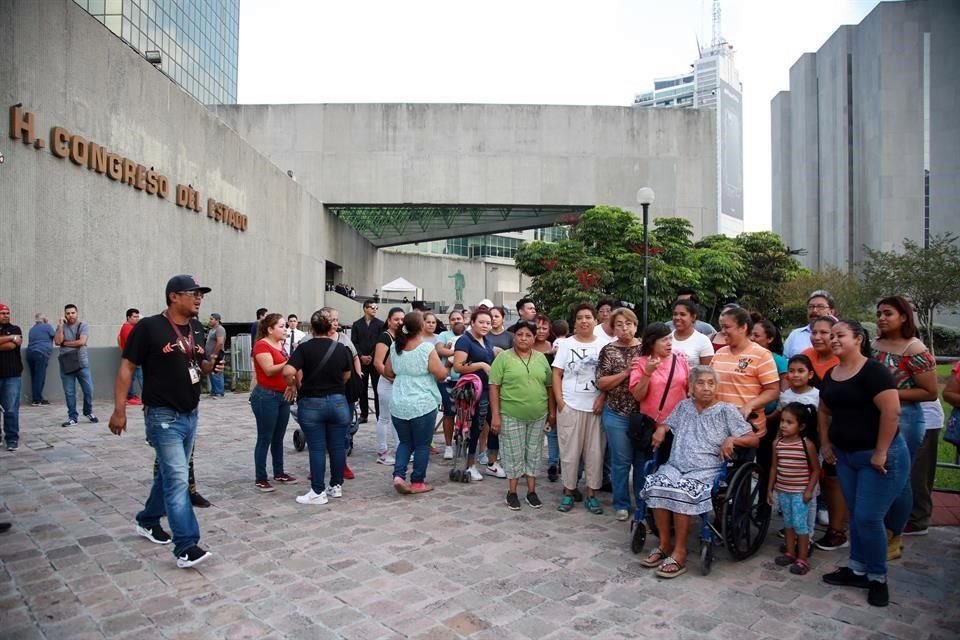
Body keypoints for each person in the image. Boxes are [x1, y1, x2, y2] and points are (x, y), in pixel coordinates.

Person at [108, 274, 221, 569]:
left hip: (190, 414)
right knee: (177, 479)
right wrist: (119, 409)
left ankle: (147, 520)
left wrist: (211, 365)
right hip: (163, 416)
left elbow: (199, 364)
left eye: (201, 294)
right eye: (193, 293)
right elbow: (126, 367)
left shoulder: (196, 327)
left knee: (169, 475)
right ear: (173, 296)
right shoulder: (149, 327)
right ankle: (186, 545)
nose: (199, 299)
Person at [638, 366, 759, 578]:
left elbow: (753, 438)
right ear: (692, 387)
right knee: (656, 485)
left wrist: (733, 439)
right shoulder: (684, 406)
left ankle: (680, 552)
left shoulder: (727, 411)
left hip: (706, 471)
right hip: (676, 466)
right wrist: (661, 429)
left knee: (683, 491)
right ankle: (665, 544)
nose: (706, 388)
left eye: (711, 383)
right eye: (701, 383)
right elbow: (668, 424)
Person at [819, 319, 907, 608]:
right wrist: (826, 443)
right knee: (857, 514)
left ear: (858, 339)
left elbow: (891, 412)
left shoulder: (874, 372)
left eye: (839, 335)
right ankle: (857, 568)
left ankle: (877, 577)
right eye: (830, 336)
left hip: (877, 458)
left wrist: (881, 451)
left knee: (869, 518)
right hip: (845, 456)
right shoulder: (832, 373)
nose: (832, 340)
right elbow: (824, 411)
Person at [871, 296, 937, 559]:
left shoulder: (914, 349)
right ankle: (879, 529)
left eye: (888, 313)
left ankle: (894, 535)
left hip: (906, 419)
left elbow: (929, 392)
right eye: (879, 314)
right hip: (875, 416)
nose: (882, 318)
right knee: (878, 474)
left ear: (904, 317)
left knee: (899, 478)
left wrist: (889, 394)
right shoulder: (873, 345)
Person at [282, 310, 353, 505]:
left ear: (311, 328)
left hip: (312, 402)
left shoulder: (304, 348)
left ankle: (317, 491)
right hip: (338, 401)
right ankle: (336, 486)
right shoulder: (340, 348)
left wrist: (293, 385)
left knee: (317, 448)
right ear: (330, 328)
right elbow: (347, 374)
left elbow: (288, 370)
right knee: (338, 446)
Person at [489, 320, 554, 510]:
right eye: (520, 334)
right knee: (513, 454)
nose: (523, 338)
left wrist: (551, 412)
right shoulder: (503, 358)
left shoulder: (541, 358)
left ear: (534, 338)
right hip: (510, 414)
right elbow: (494, 387)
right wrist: (495, 416)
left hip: (538, 415)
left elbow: (549, 386)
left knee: (533, 453)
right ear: (514, 336)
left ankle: (532, 492)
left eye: (528, 335)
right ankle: (512, 492)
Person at [385, 312, 448, 494]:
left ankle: (398, 475)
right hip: (422, 402)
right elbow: (441, 374)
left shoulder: (395, 346)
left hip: (399, 401)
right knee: (422, 444)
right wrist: (448, 366)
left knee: (405, 442)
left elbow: (389, 371)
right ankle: (418, 481)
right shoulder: (426, 349)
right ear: (421, 327)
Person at [552, 304, 605, 515]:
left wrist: (602, 398)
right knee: (569, 453)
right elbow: (556, 374)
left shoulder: (604, 345)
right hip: (570, 405)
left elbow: (608, 377)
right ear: (574, 322)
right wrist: (560, 403)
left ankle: (592, 494)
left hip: (595, 408)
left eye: (588, 317)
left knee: (595, 453)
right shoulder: (566, 345)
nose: (584, 321)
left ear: (595, 321)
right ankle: (568, 491)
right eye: (580, 317)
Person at [596, 309, 645, 520]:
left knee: (642, 461)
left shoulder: (646, 348)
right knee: (620, 460)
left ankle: (643, 503)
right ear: (613, 327)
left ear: (635, 325)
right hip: (616, 412)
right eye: (619, 324)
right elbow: (601, 381)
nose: (624, 328)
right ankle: (622, 503)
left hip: (643, 414)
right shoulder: (608, 350)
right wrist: (625, 373)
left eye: (628, 323)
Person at [767, 402, 821, 575]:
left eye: (789, 422)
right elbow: (774, 468)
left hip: (799, 493)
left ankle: (802, 559)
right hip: (783, 491)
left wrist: (808, 491)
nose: (783, 425)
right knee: (788, 524)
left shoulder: (807, 445)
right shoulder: (777, 444)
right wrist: (770, 489)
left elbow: (815, 470)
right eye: (782, 421)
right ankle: (790, 552)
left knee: (800, 525)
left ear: (801, 426)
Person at [711, 307, 780, 437]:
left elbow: (773, 391)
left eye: (727, 327)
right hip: (718, 429)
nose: (723, 331)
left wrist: (750, 405)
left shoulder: (762, 355)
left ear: (743, 327)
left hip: (746, 430)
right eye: (722, 327)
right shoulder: (719, 353)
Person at [250, 314, 297, 493]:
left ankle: (279, 471)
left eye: (285, 326)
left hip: (282, 395)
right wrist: (290, 362)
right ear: (270, 329)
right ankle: (260, 477)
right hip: (266, 396)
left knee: (278, 436)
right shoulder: (262, 345)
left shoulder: (281, 345)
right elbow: (269, 370)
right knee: (265, 437)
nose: (285, 329)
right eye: (281, 326)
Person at [453, 308, 497, 481]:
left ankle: (492, 464)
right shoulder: (465, 341)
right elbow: (458, 366)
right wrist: (481, 365)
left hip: (489, 389)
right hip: (473, 392)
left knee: (495, 425)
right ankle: (470, 465)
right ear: (472, 322)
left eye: (488, 323)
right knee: (475, 428)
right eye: (481, 322)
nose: (485, 326)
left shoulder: (487, 340)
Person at [904, 399, 944, 536]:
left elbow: (931, 392)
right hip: (904, 418)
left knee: (918, 473)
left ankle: (918, 520)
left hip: (925, 421)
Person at [55, 304, 96, 427]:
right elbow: (57, 341)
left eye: (73, 313)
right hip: (66, 364)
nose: (70, 315)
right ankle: (73, 417)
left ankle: (88, 411)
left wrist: (65, 343)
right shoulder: (61, 326)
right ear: (64, 314)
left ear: (77, 313)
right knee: (69, 392)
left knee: (89, 390)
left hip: (82, 363)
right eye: (68, 313)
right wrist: (61, 326)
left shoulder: (82, 325)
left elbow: (82, 342)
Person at [373, 308, 405, 465]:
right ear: (389, 320)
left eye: (401, 319)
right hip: (388, 382)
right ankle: (382, 451)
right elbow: (378, 363)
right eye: (396, 319)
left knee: (397, 418)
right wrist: (390, 378)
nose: (399, 322)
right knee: (384, 418)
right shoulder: (384, 338)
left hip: (399, 382)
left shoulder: (401, 337)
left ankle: (400, 448)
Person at [435, 309, 466, 459]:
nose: (456, 321)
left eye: (458, 318)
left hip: (464, 379)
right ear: (449, 321)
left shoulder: (468, 335)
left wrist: (453, 352)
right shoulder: (443, 335)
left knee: (466, 413)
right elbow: (440, 351)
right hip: (447, 380)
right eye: (453, 319)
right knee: (449, 412)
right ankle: (448, 446)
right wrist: (460, 352)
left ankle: (464, 442)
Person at [351, 300, 385, 424]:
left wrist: (371, 356)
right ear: (365, 308)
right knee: (362, 387)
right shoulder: (357, 324)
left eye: (376, 307)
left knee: (377, 388)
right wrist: (360, 356)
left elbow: (381, 342)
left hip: (375, 359)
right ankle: (364, 414)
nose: (375, 309)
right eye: (372, 307)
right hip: (361, 360)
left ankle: (379, 415)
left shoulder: (381, 324)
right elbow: (354, 342)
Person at [0, 304, 24, 452]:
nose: (6, 315)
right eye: (2, 313)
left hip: (12, 374)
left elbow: (12, 346)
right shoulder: (12, 334)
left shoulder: (16, 329)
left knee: (10, 408)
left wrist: (10, 340)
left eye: (7, 312)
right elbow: (10, 343)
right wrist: (9, 338)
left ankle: (12, 437)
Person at [784, 290, 836, 358]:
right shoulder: (795, 335)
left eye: (820, 307)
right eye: (811, 307)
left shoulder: (838, 335)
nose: (814, 310)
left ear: (831, 311)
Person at [670, 299, 713, 368]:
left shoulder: (703, 341)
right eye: (675, 314)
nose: (677, 317)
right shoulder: (666, 339)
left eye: (682, 314)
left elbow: (706, 372)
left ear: (693, 317)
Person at [26, 313, 55, 406]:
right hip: (41, 353)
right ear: (44, 320)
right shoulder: (47, 326)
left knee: (34, 377)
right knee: (39, 377)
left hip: (30, 353)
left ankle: (36, 398)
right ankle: (37, 400)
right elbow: (56, 336)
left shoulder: (32, 329)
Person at [801, 316, 840, 381]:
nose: (817, 338)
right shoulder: (805, 355)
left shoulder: (844, 360)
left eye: (823, 332)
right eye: (814, 333)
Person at [118, 308, 143, 405]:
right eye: (134, 317)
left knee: (132, 378)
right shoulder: (127, 328)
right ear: (128, 317)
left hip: (132, 357)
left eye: (138, 316)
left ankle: (130, 396)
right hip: (134, 357)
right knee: (141, 377)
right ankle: (132, 396)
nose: (137, 319)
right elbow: (135, 343)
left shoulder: (130, 327)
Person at [205, 313, 226, 397]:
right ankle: (214, 391)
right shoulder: (211, 330)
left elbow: (220, 342)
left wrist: (214, 354)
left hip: (217, 354)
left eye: (211, 319)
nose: (209, 321)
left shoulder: (220, 329)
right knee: (211, 372)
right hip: (209, 354)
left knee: (217, 372)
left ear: (217, 320)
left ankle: (219, 392)